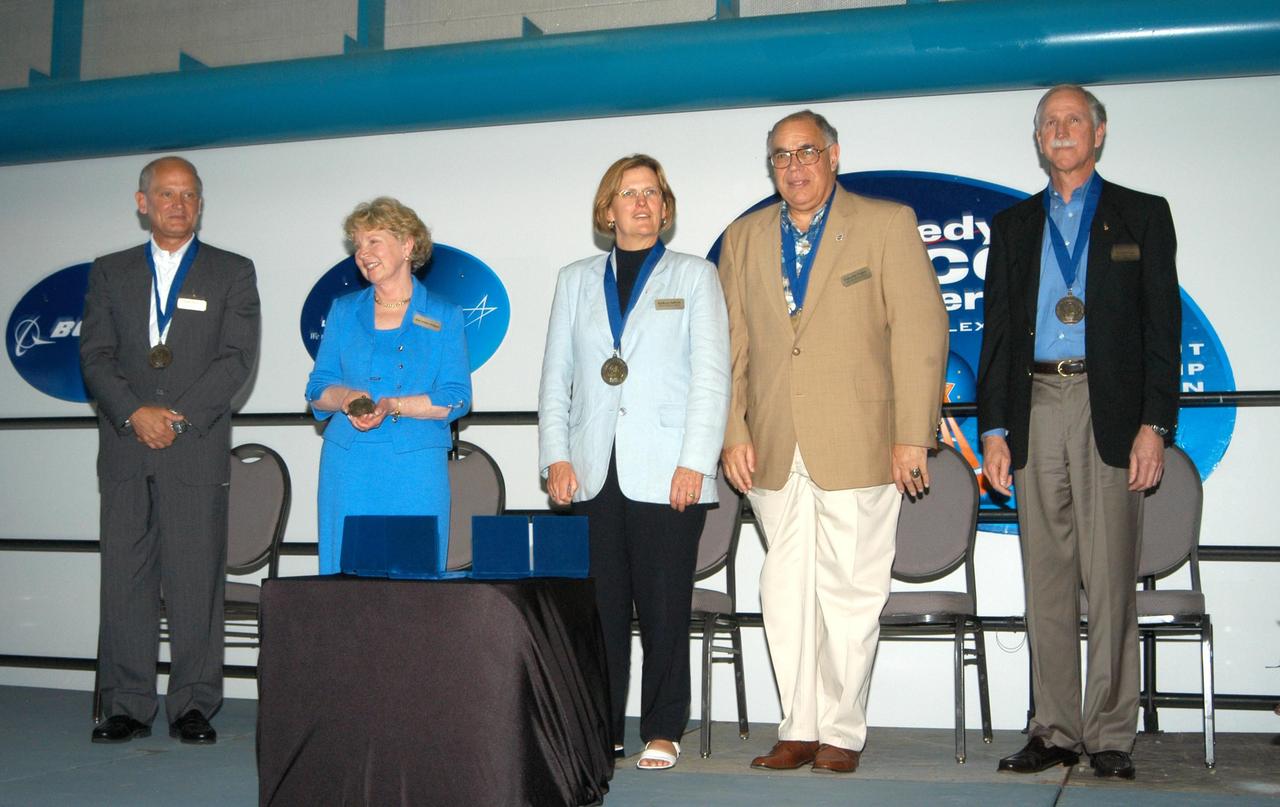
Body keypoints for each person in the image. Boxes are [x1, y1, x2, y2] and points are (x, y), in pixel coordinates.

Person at [718, 110, 948, 774]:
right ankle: (798, 725)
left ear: (835, 155)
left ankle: (842, 729)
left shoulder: (885, 223)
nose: (794, 166)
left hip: (863, 440)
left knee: (852, 591)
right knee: (784, 592)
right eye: (781, 156)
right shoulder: (743, 236)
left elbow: (920, 330)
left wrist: (912, 435)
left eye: (807, 152)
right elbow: (730, 345)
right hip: (770, 444)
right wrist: (733, 429)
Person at [977, 84, 1180, 781]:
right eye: (1049, 123)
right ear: (1038, 141)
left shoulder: (1142, 216)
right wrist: (995, 428)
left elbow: (1163, 329)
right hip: (1033, 402)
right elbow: (997, 334)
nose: (1061, 131)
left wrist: (1156, 423)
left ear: (1099, 133)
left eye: (1073, 120)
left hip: (1112, 411)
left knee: (1112, 576)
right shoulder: (1012, 226)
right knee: (1047, 578)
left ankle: (1112, 731)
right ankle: (1056, 728)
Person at [538, 154, 730, 771]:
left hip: (669, 467)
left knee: (665, 603)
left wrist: (695, 462)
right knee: (601, 609)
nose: (641, 203)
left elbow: (711, 378)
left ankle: (663, 728)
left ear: (665, 209)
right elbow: (555, 379)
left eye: (652, 194)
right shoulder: (573, 279)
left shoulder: (696, 276)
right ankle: (603, 727)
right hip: (594, 467)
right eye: (629, 193)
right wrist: (555, 456)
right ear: (608, 209)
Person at [81, 156, 261, 745]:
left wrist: (176, 420)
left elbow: (236, 358)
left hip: (195, 450)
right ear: (143, 203)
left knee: (195, 580)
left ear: (200, 204)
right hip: (127, 450)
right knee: (126, 580)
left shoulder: (233, 272)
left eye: (188, 195)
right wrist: (136, 413)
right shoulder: (108, 273)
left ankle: (193, 706)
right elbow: (96, 357)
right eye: (165, 194)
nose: (177, 204)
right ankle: (128, 705)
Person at [306, 197, 471, 575]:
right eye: (358, 244)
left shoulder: (444, 314)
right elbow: (318, 388)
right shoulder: (344, 310)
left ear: (408, 244)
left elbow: (456, 397)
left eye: (373, 241)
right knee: (347, 582)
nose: (363, 253)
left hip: (414, 465)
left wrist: (395, 405)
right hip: (348, 462)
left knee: (412, 584)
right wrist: (347, 398)